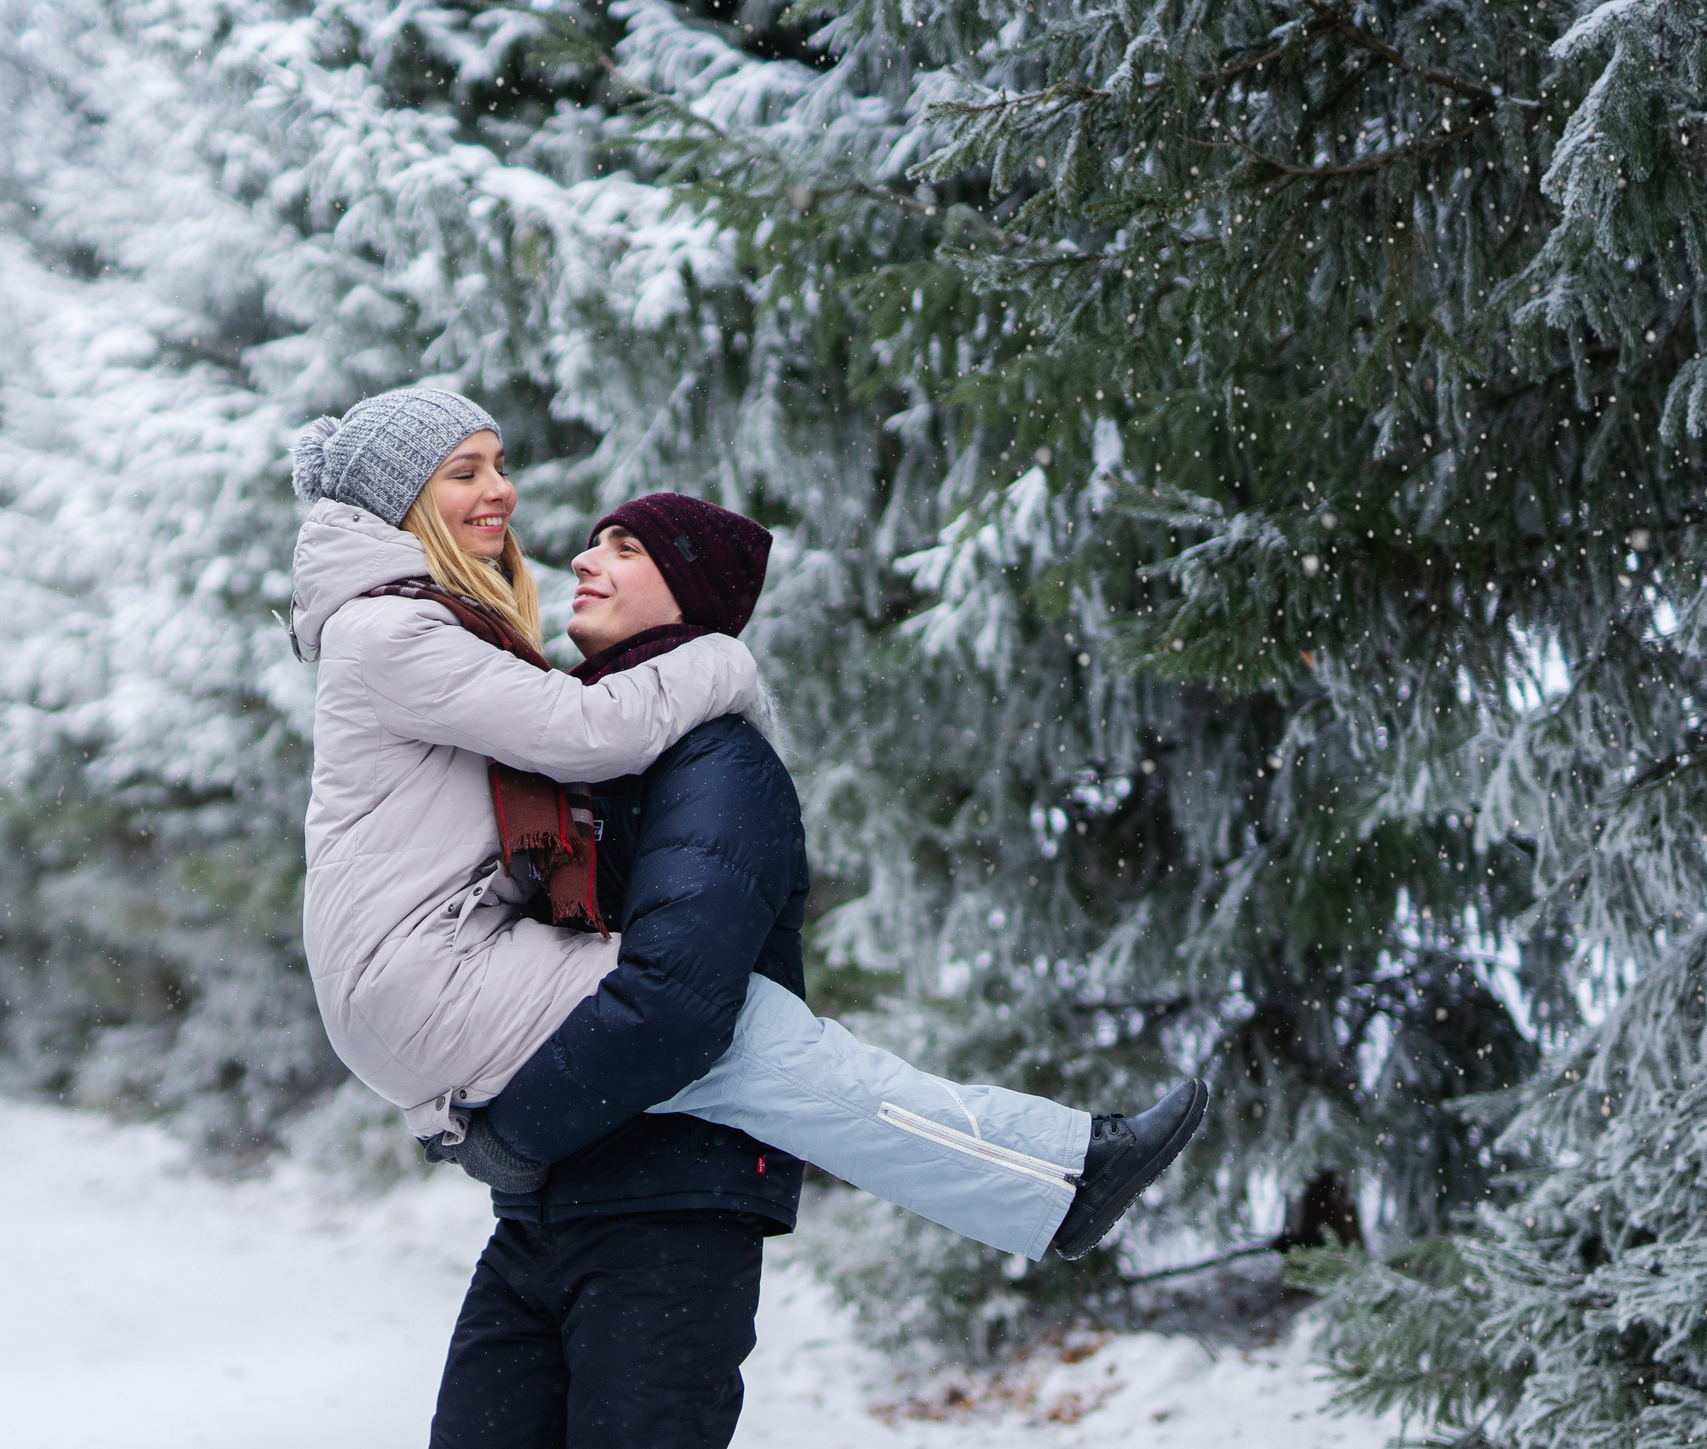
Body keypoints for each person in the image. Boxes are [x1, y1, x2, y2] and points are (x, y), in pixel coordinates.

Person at [288, 387, 1205, 1269]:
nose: (501, 489)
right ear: (404, 501)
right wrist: (722, 658)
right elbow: (584, 732)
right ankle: (1064, 1178)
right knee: (748, 1034)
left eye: (499, 464)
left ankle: (1056, 1176)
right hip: (424, 975)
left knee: (730, 1040)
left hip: (421, 976)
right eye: (465, 472)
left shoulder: (412, 623)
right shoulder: (392, 631)